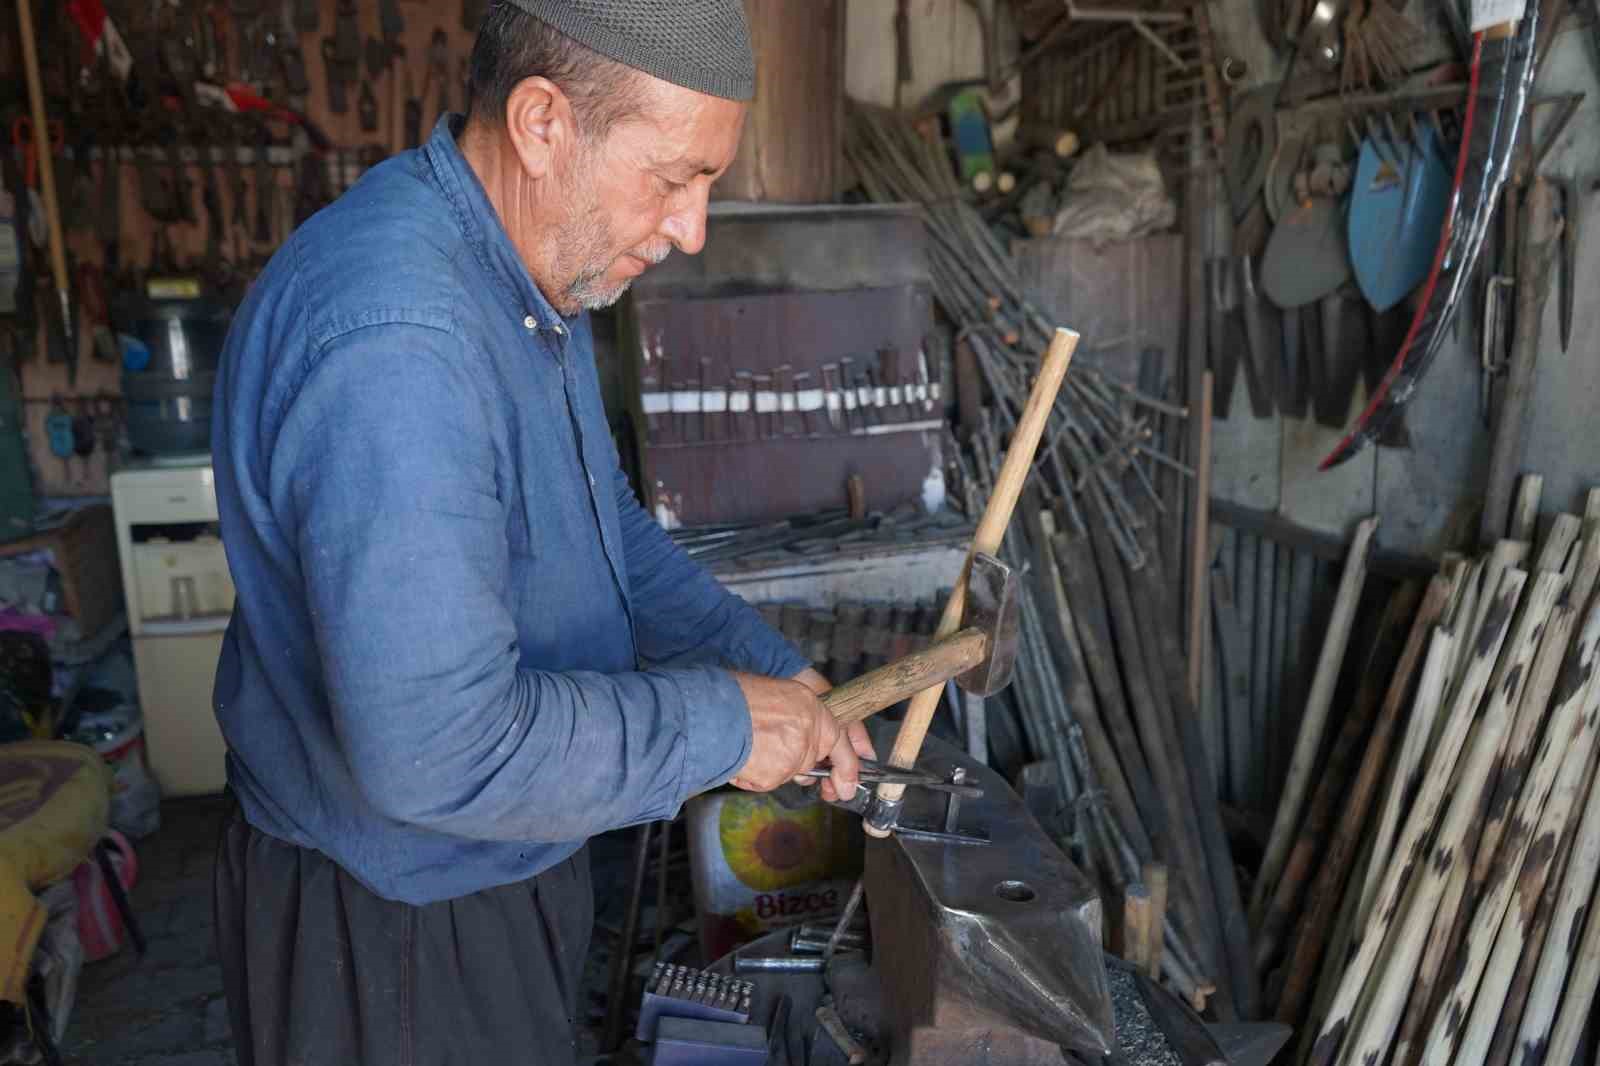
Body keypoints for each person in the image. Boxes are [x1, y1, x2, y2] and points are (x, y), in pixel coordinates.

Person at [208, 3, 874, 1063]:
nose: (691, 228)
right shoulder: (402, 345)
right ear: (541, 122)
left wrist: (769, 671)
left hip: (498, 860)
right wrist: (722, 726)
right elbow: (437, 752)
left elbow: (607, 534)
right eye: (673, 178)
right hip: (392, 924)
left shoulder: (523, 280)